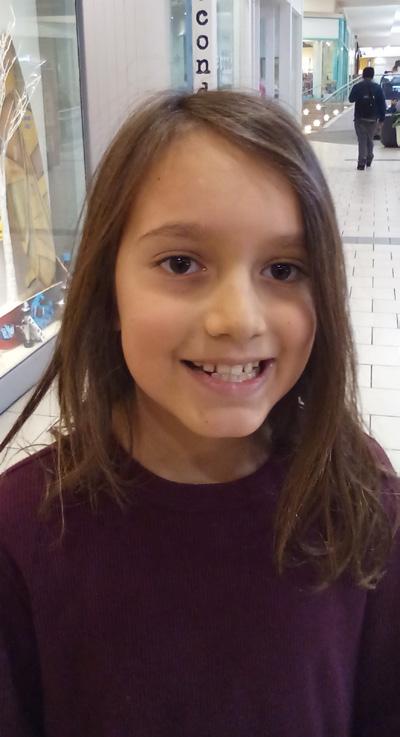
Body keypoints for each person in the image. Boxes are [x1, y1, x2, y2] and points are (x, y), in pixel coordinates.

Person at [0, 90, 400, 737]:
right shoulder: (22, 531)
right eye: (181, 263)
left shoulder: (358, 494)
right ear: (107, 291)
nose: (237, 319)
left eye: (283, 269)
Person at [349, 66, 386, 169]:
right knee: (370, 139)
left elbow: (351, 99)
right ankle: (369, 157)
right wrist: (382, 119)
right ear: (373, 75)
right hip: (373, 118)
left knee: (362, 140)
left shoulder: (357, 86)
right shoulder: (377, 88)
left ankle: (361, 162)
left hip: (359, 118)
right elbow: (382, 104)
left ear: (363, 75)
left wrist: (360, 96)